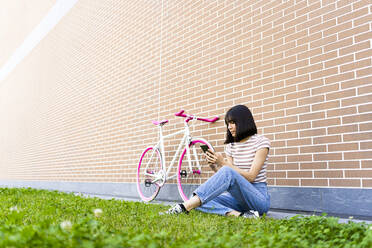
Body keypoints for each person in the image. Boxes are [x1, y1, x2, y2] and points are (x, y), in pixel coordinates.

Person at [162, 105, 271, 218]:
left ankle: (183, 207)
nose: (229, 127)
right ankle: (240, 215)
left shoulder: (261, 142)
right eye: (227, 123)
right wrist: (215, 167)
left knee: (225, 172)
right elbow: (229, 178)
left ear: (244, 121)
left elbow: (251, 176)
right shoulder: (231, 146)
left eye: (233, 122)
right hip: (236, 200)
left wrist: (223, 163)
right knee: (198, 199)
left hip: (258, 199)